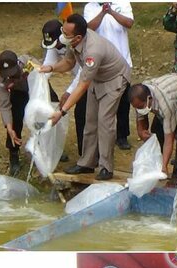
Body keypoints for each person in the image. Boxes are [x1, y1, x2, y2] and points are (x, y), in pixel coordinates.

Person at [40, 13, 131, 181]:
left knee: (105, 121)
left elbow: (82, 86)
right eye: (63, 30)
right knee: (90, 120)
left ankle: (106, 167)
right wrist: (51, 68)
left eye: (66, 34)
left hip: (114, 79)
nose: (62, 36)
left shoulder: (92, 51)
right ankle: (86, 163)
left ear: (78, 37)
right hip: (97, 78)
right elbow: (68, 63)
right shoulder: (72, 41)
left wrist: (62, 111)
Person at [83, 1, 134, 150]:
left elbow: (129, 23)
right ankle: (101, 135)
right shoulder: (90, 7)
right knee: (101, 101)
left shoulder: (123, 3)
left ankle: (122, 135)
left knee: (123, 102)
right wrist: (102, 13)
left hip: (123, 61)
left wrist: (111, 11)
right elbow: (87, 29)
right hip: (101, 64)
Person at [0, 50, 54, 176]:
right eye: (7, 75)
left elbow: (43, 77)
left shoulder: (28, 63)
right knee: (15, 118)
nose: (10, 77)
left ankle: (48, 147)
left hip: (37, 89)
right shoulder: (1, 80)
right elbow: (4, 105)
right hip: (19, 94)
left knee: (49, 113)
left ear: (18, 64)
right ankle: (14, 154)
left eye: (12, 73)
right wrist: (9, 128)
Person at [41, 19, 86, 158]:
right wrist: (39, 80)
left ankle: (86, 154)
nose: (55, 47)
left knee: (82, 114)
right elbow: (49, 65)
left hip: (91, 78)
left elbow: (83, 73)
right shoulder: (54, 46)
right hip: (81, 78)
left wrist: (68, 92)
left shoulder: (77, 43)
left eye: (57, 43)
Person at [129, 74, 177, 183]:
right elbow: (141, 118)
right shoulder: (140, 96)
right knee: (156, 130)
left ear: (149, 99)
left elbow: (169, 138)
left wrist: (164, 167)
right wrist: (141, 132)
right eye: (136, 107)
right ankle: (157, 163)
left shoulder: (165, 104)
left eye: (140, 107)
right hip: (164, 96)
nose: (139, 109)